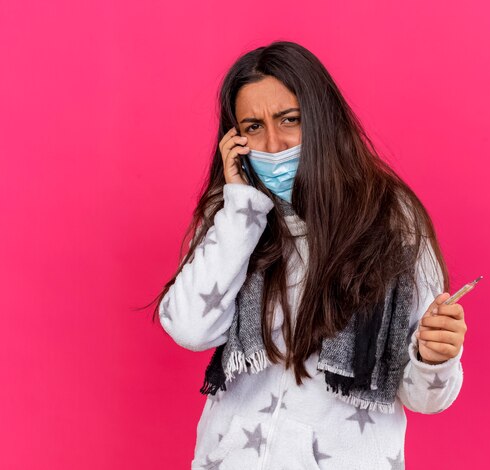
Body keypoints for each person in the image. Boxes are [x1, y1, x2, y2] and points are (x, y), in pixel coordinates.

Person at [153, 41, 468, 470]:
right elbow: (191, 327)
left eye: (290, 119)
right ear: (236, 139)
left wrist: (435, 359)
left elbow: (422, 398)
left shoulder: (391, 221)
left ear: (321, 120)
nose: (275, 143)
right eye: (253, 126)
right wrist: (241, 209)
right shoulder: (232, 214)